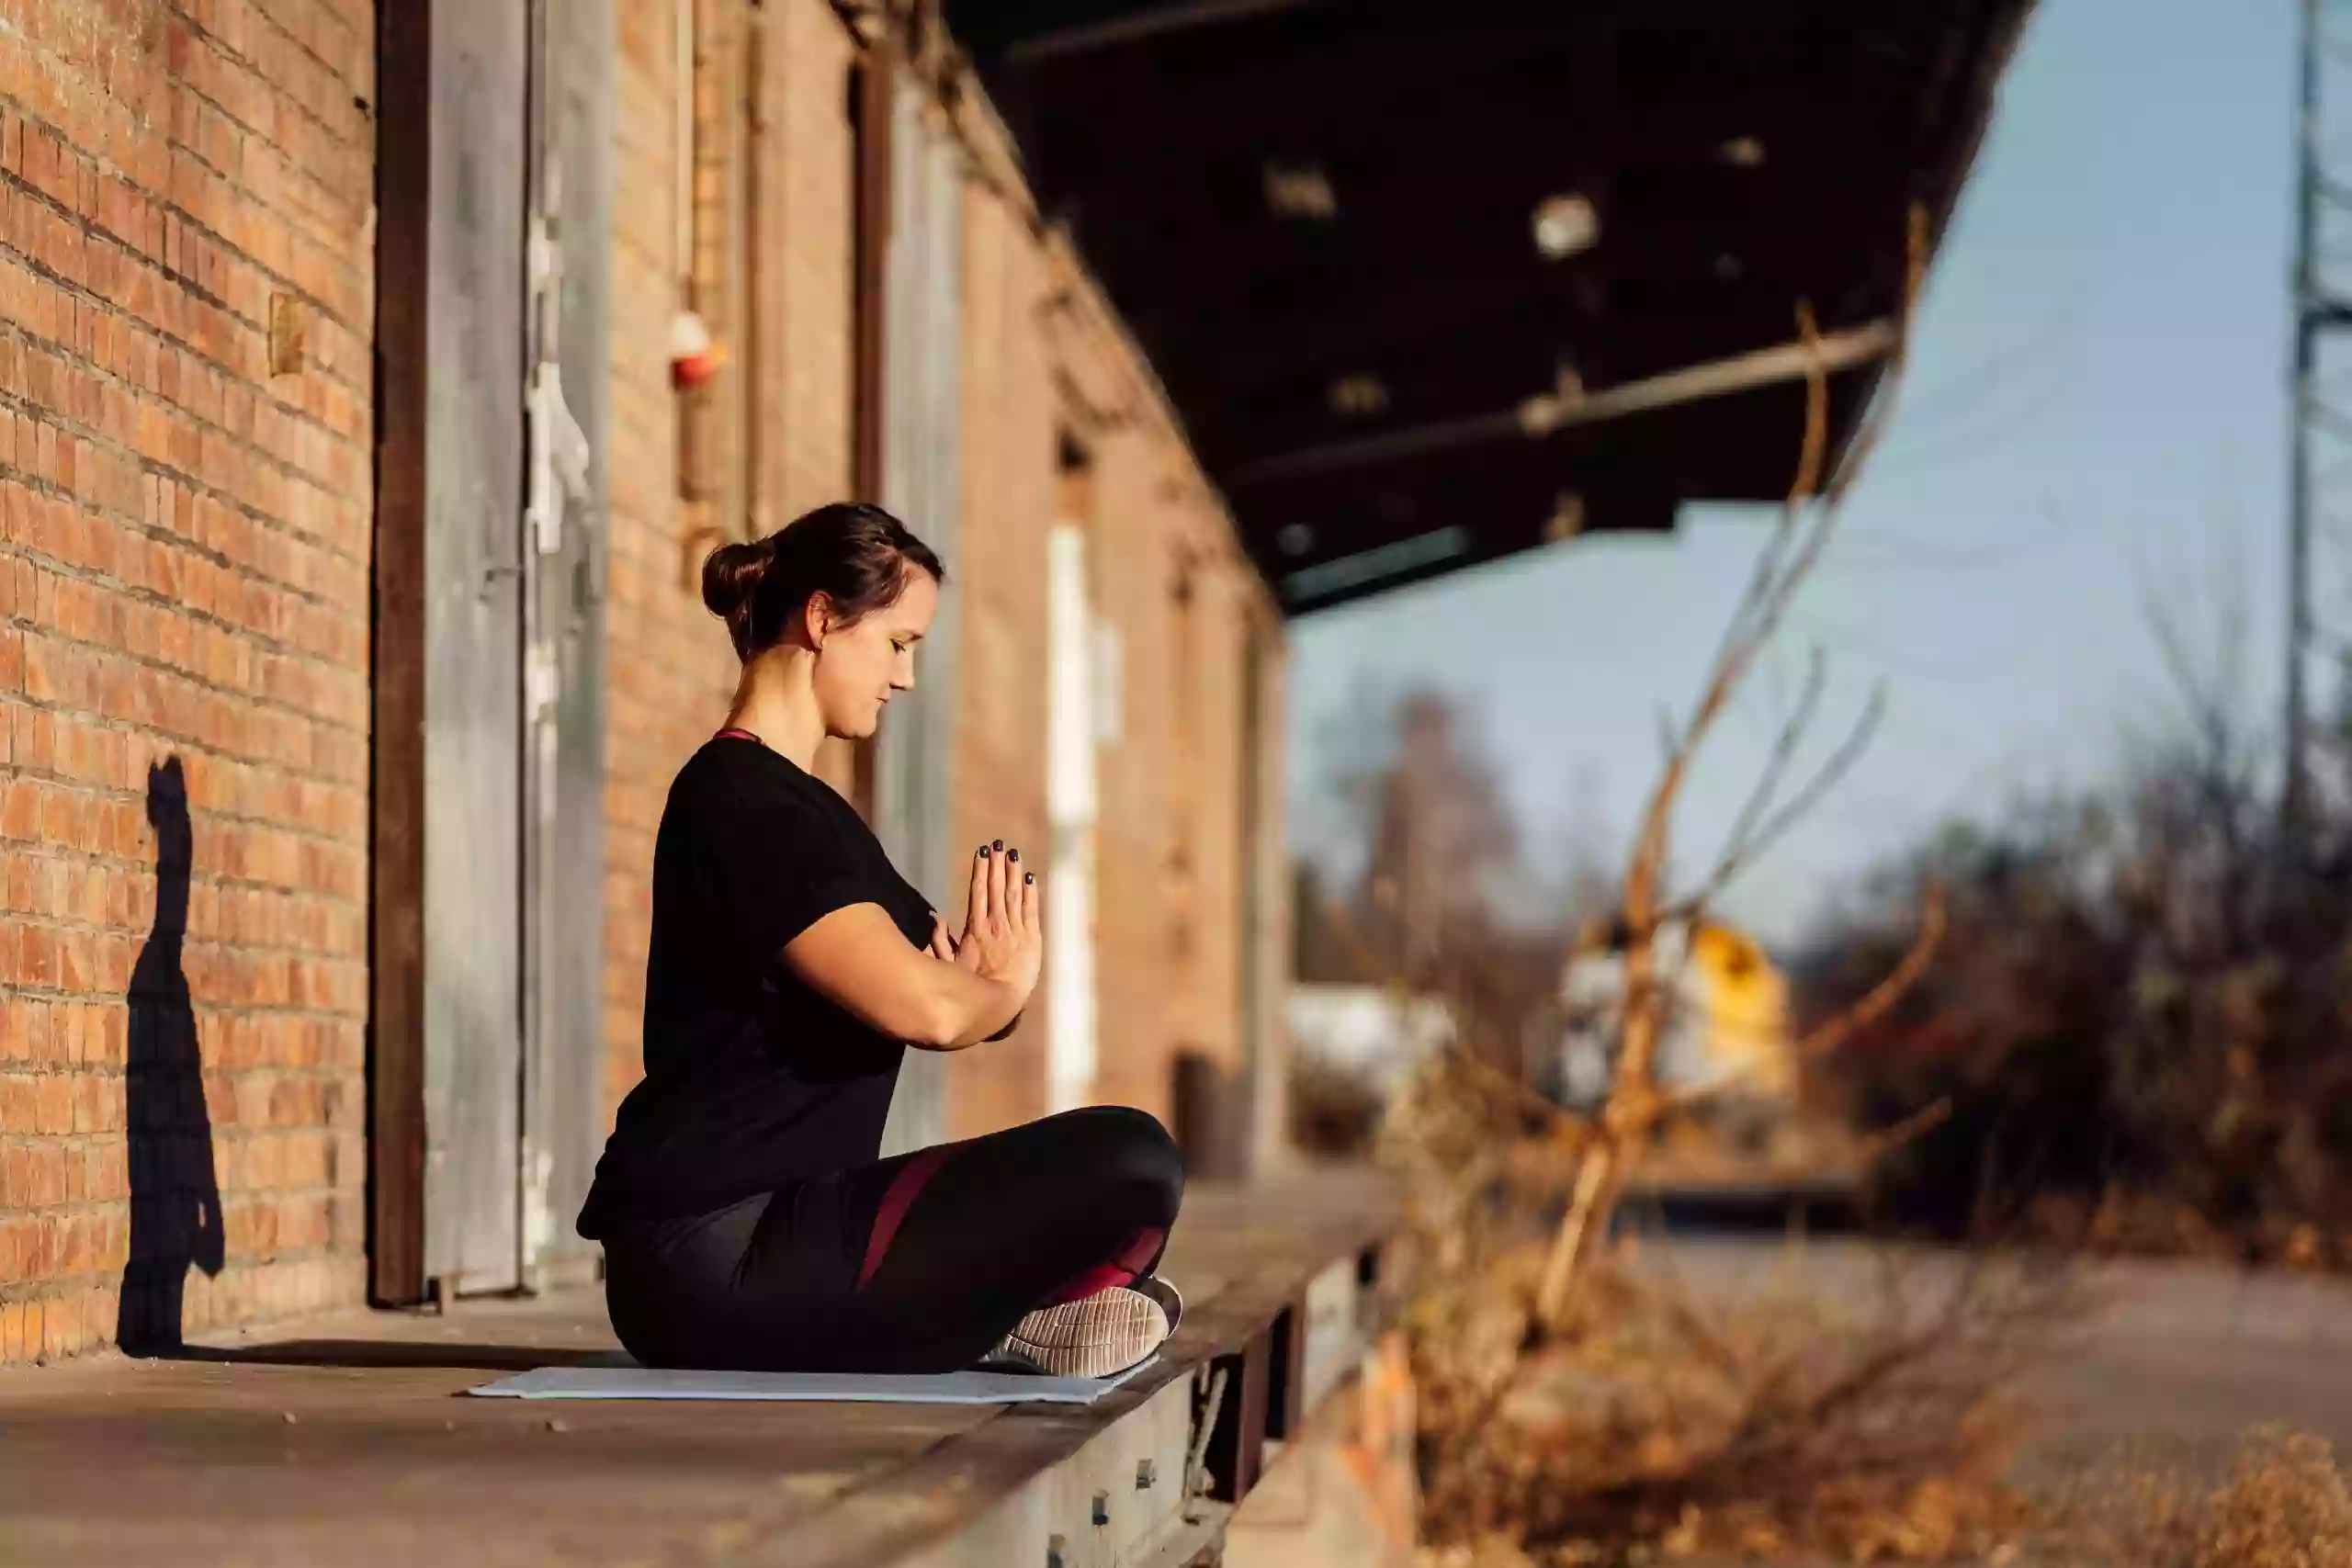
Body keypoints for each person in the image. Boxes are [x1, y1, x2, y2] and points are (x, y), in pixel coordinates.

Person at [579, 502, 1184, 1378]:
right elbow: (928, 1010)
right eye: (898, 644)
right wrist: (997, 992)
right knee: (1130, 1157)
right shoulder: (741, 804)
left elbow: (935, 991)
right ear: (823, 618)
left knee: (1142, 1176)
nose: (904, 678)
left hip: (797, 1225)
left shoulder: (806, 810)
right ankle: (993, 1314)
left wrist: (979, 991)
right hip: (710, 1250)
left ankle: (982, 1314)